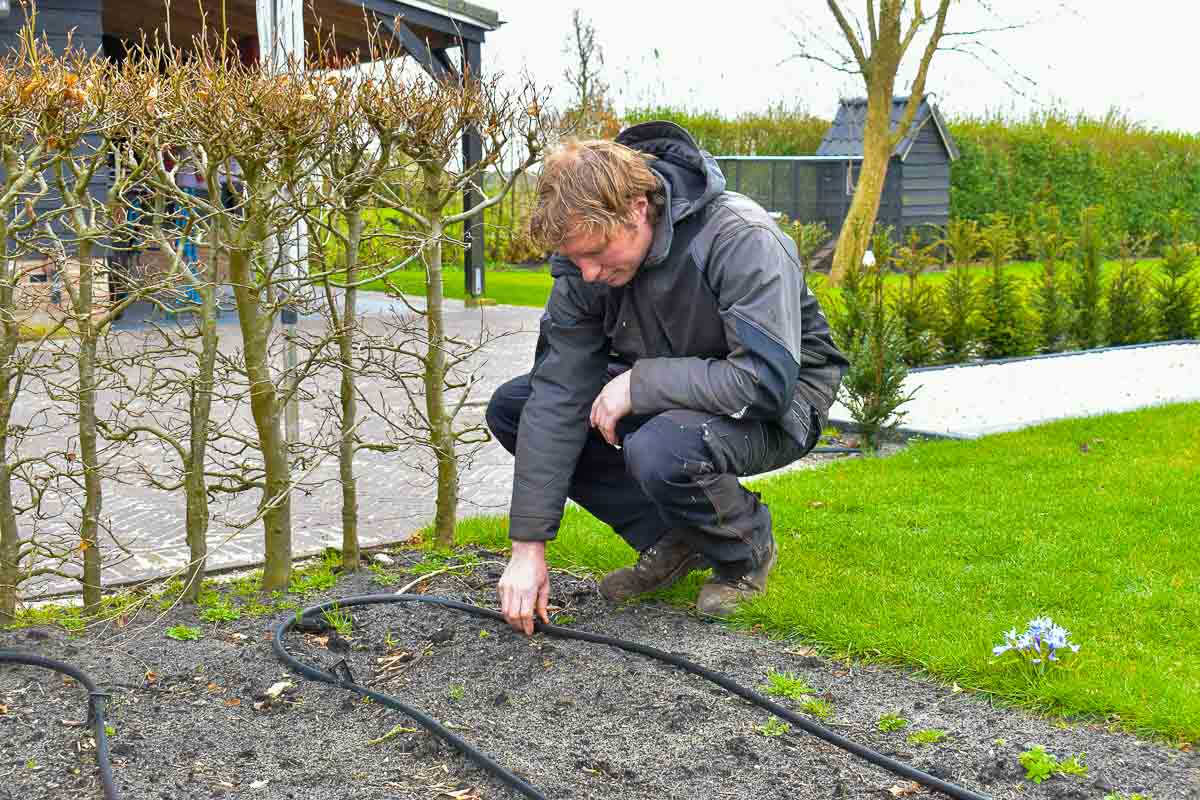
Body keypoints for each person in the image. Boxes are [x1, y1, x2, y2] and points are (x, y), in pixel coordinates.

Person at [486, 121, 848, 635]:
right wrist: (528, 546)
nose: (588, 273)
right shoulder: (587, 268)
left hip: (782, 398)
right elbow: (558, 390)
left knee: (663, 447)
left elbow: (765, 382)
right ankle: (675, 539)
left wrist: (640, 385)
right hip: (679, 376)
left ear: (638, 208)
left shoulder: (740, 237)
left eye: (596, 253)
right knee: (517, 408)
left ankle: (744, 549)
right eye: (575, 259)